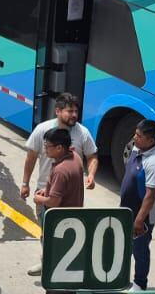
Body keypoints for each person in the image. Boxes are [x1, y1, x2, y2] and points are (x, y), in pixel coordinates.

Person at [19, 94, 99, 276]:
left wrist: (91, 175)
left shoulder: (82, 133)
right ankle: (46, 262)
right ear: (58, 111)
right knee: (47, 233)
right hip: (45, 191)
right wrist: (25, 183)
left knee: (66, 236)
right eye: (69, 111)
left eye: (76, 111)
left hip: (67, 197)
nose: (74, 115)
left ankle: (58, 272)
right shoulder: (43, 130)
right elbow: (31, 157)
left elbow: (92, 156)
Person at [30, 127, 84, 294]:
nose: (45, 150)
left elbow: (53, 202)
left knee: (54, 262)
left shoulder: (61, 170)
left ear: (60, 148)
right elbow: (63, 189)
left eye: (48, 146)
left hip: (59, 223)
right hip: (74, 221)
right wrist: (49, 190)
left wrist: (40, 199)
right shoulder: (75, 157)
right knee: (71, 260)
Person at [119, 119, 155, 291]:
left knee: (139, 251)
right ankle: (119, 278)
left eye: (139, 136)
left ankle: (140, 283)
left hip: (142, 217)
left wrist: (139, 220)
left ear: (151, 140)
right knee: (123, 247)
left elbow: (151, 195)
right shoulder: (139, 148)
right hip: (126, 210)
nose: (134, 137)